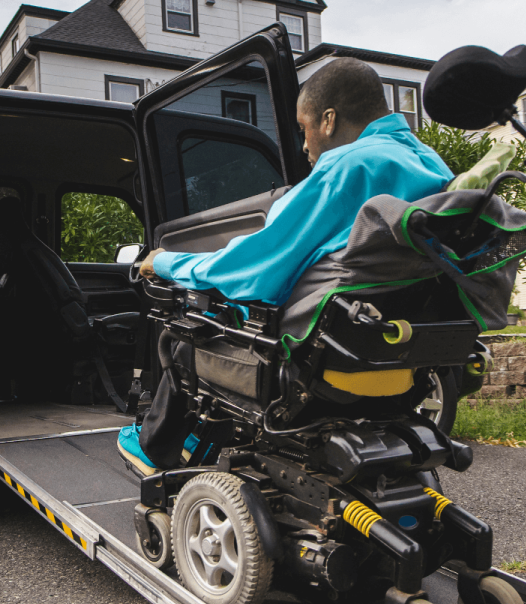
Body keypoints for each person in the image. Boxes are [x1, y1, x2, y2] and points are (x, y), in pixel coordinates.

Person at [117, 57, 454, 476]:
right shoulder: (434, 168)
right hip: (400, 359)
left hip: (314, 363)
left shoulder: (347, 168)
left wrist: (167, 262)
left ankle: (156, 448)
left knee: (181, 338)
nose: (304, 146)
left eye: (303, 128)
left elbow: (254, 272)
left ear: (328, 120)